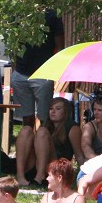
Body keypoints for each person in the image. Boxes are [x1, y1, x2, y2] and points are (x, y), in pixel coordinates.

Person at [12, 10, 64, 186]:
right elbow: (13, 43)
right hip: (20, 73)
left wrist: (55, 72)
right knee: (26, 126)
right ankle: (20, 175)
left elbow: (60, 46)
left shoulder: (52, 15)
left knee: (44, 126)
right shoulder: (17, 12)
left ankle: (40, 175)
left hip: (43, 73)